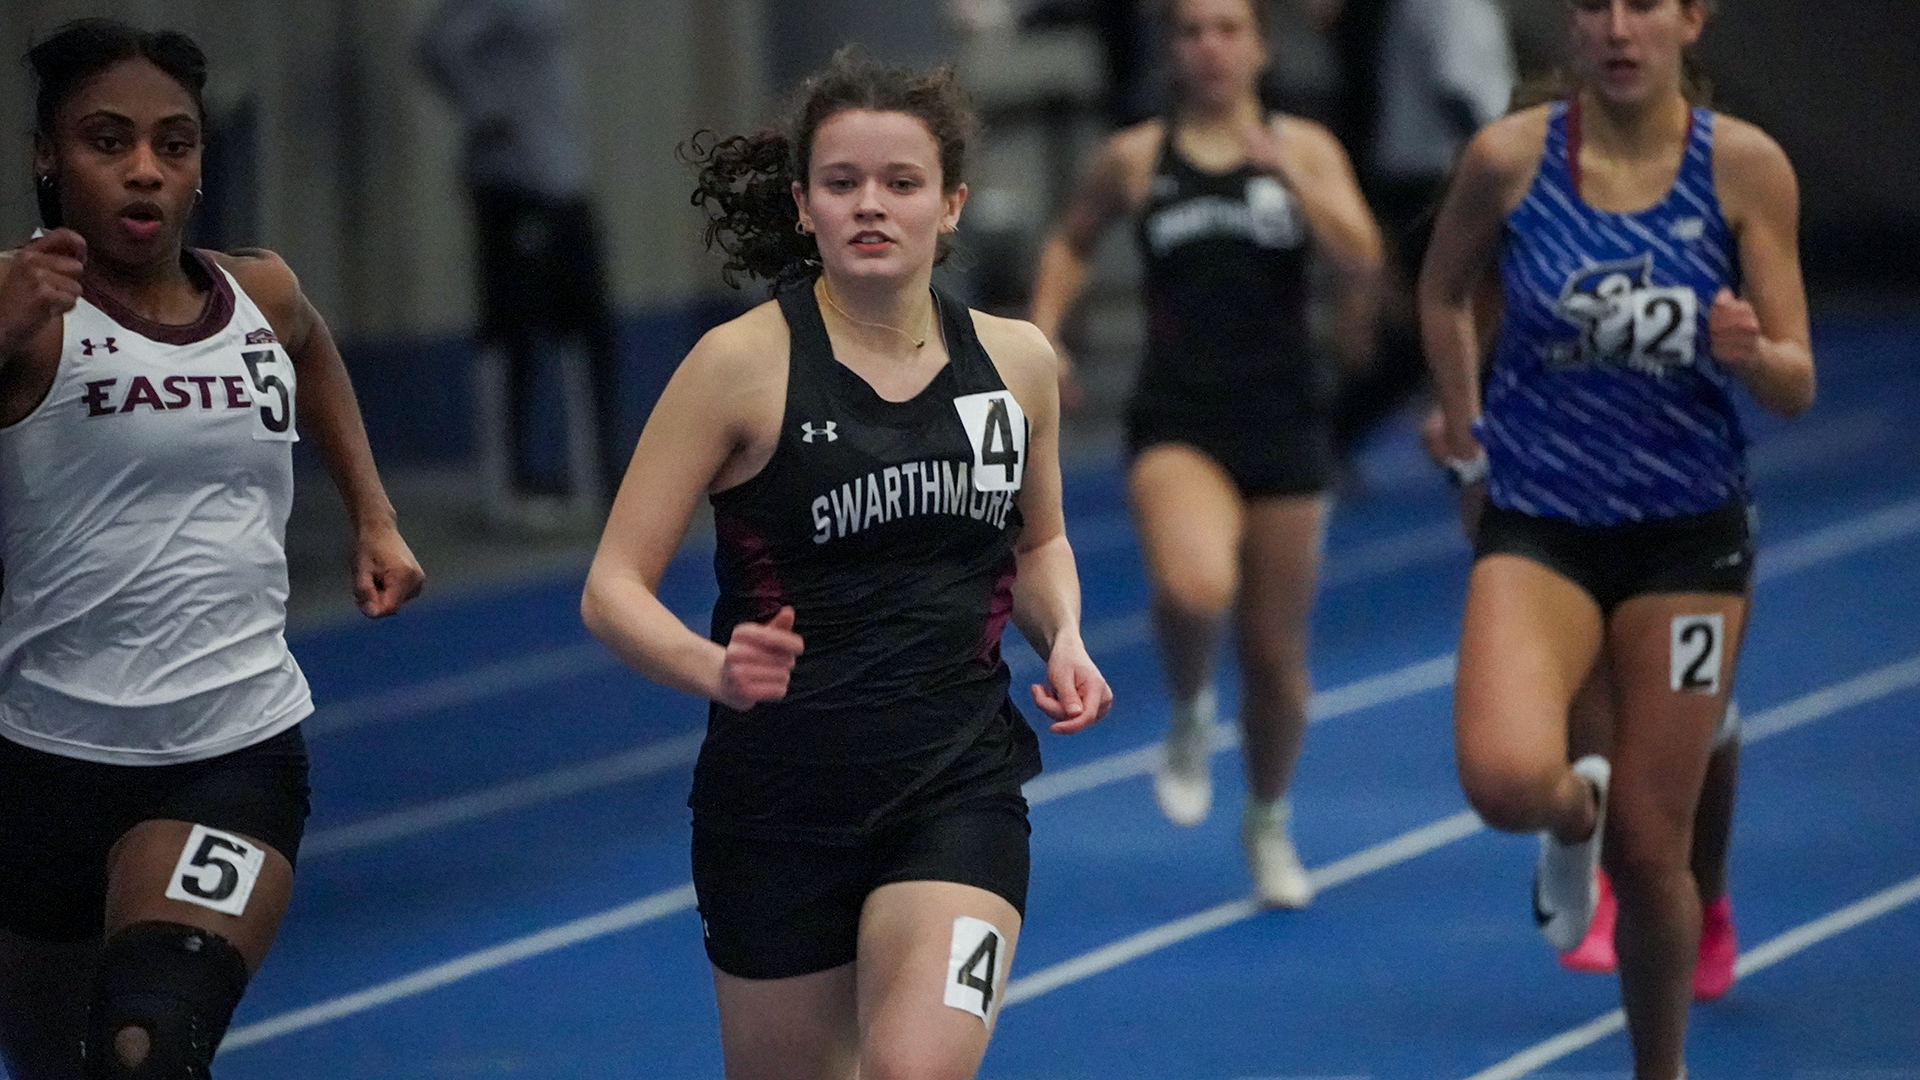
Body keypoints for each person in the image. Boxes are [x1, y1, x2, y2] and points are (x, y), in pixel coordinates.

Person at [580, 49, 1111, 1080]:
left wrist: (1068, 635)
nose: (873, 205)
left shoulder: (1016, 364)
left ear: (950, 204)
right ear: (804, 205)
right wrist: (712, 668)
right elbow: (612, 588)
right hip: (777, 807)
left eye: (902, 184)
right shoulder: (739, 367)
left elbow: (1037, 541)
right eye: (843, 183)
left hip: (958, 790)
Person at [0, 19, 425, 1080]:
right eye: (107, 141)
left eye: (174, 143)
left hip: (231, 751)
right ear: (47, 156)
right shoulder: (25, 308)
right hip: (41, 759)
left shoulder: (259, 294)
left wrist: (372, 511)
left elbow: (313, 348)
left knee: (149, 1043)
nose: (144, 169)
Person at [1418, 0, 1814, 1074]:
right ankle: (1569, 809)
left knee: (1654, 854)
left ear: (1693, 18)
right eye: (1593, 6)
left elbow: (1796, 381)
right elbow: (1445, 290)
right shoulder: (1510, 159)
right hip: (1541, 522)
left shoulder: (1745, 169)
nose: (1617, 28)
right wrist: (1466, 429)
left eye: (1644, 4)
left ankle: (1660, 1067)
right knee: (1503, 780)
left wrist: (1748, 350)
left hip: (1687, 544)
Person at [1029, 0, 1381, 907]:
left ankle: (1267, 819)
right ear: (1172, 50)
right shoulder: (1138, 157)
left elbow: (1362, 263)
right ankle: (1187, 710)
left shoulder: (1303, 148)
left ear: (1260, 46)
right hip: (1179, 416)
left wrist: (1294, 186)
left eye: (1228, 28)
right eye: (1191, 31)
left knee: (1274, 661)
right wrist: (1044, 332)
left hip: (1286, 423)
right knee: (1193, 586)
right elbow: (1071, 240)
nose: (1210, 47)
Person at [415, 0, 620, 524]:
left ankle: (594, 477)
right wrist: (487, 112)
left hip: (563, 179)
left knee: (589, 327)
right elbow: (436, 46)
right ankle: (505, 488)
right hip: (513, 183)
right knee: (513, 333)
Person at [1332, 0, 1514, 462]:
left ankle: (1342, 431)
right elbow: (1454, 88)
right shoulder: (1446, 6)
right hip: (1438, 175)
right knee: (1439, 315)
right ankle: (1338, 431)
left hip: (1436, 170)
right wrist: (1499, 162)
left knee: (1445, 317)